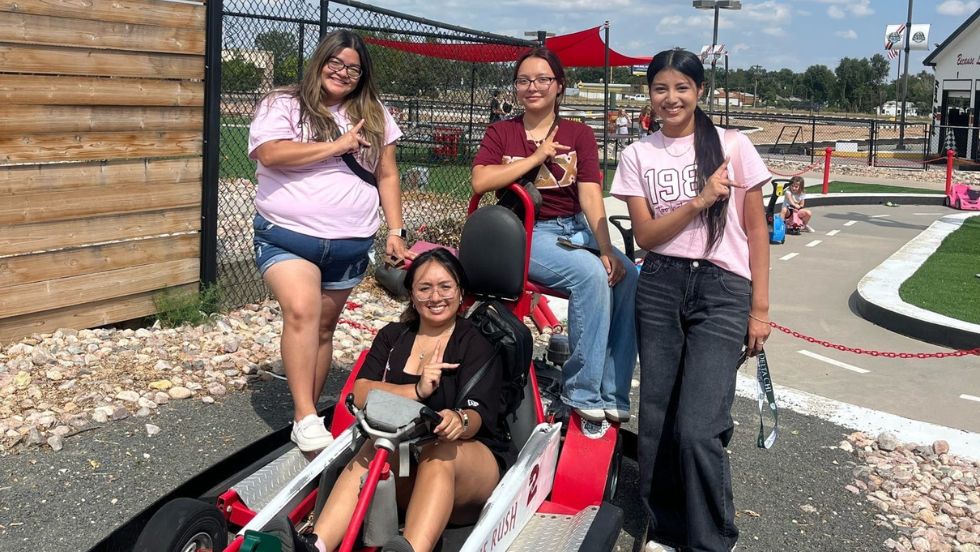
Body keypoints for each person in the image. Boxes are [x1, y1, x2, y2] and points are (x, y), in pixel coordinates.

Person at [610, 48, 772, 552]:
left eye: (682, 87)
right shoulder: (639, 154)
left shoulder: (732, 145)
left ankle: (712, 540)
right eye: (661, 88)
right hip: (659, 283)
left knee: (700, 425)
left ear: (700, 91)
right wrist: (699, 201)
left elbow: (755, 229)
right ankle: (667, 528)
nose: (671, 98)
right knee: (657, 416)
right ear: (649, 95)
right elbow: (646, 235)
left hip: (723, 290)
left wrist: (760, 309)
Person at [248, 30, 414, 452]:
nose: (343, 73)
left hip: (350, 244)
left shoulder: (374, 112)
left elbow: (387, 173)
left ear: (362, 76)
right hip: (288, 236)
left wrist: (394, 230)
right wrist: (336, 144)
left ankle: (306, 418)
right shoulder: (283, 103)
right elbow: (271, 153)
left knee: (323, 329)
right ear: (320, 62)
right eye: (335, 63)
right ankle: (305, 416)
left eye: (353, 69)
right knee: (302, 313)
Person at [308, 248, 514, 552]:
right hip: (404, 461)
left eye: (445, 287)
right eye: (424, 288)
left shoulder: (476, 343)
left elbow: (477, 415)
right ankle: (317, 545)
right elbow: (360, 392)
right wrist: (416, 392)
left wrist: (458, 420)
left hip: (467, 468)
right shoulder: (393, 336)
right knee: (373, 445)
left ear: (460, 293)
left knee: (438, 452)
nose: (436, 297)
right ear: (412, 296)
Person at [471, 47, 638, 424]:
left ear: (559, 86)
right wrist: (535, 158)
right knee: (590, 275)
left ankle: (612, 391)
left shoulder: (578, 134)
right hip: (525, 233)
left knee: (629, 275)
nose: (533, 87)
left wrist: (607, 247)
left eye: (543, 79)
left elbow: (591, 193)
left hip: (575, 228)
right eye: (524, 80)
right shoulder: (503, 131)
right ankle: (580, 390)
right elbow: (481, 180)